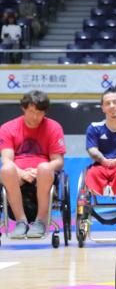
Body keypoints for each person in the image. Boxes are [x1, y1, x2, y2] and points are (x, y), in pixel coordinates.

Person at [0, 90, 66, 239]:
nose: (35, 117)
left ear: (45, 112)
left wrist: (40, 170)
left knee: (45, 167)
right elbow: (6, 159)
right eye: (31, 111)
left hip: (43, 173)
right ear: (24, 108)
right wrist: (22, 173)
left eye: (40, 113)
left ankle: (40, 221)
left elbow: (58, 161)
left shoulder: (54, 127)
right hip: (17, 174)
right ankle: (20, 221)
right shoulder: (8, 128)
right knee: (6, 169)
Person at [84, 89, 116, 197]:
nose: (112, 106)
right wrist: (103, 160)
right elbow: (92, 149)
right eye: (107, 103)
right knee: (92, 173)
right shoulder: (94, 127)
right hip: (101, 166)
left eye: (115, 102)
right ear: (103, 108)